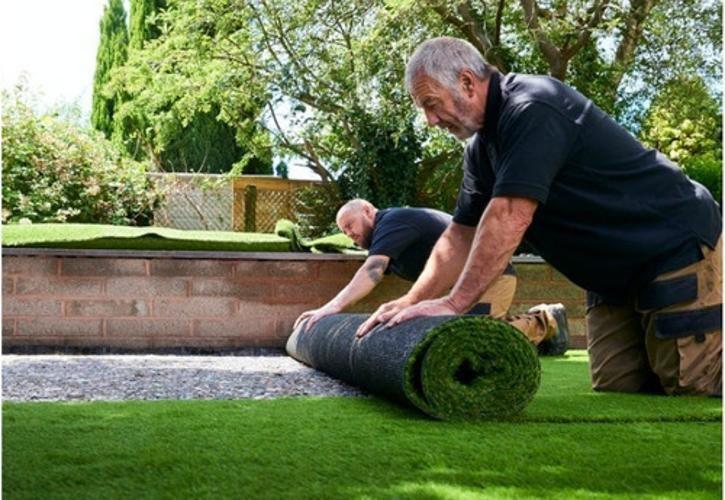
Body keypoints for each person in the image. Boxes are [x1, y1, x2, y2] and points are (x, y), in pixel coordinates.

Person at [358, 37, 722, 396]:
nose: (430, 120)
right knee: (619, 385)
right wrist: (412, 302)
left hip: (672, 246)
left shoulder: (533, 107)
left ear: (467, 82)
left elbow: (510, 215)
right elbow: (460, 234)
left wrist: (455, 303)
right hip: (613, 279)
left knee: (695, 383)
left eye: (431, 104)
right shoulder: (481, 151)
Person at [294, 199, 569, 354]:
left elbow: (372, 271)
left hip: (491, 276)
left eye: (350, 225)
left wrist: (330, 308)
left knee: (474, 338)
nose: (349, 235)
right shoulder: (387, 236)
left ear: (368, 211)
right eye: (344, 231)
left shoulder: (392, 222)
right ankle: (534, 335)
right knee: (453, 340)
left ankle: (544, 320)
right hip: (457, 291)